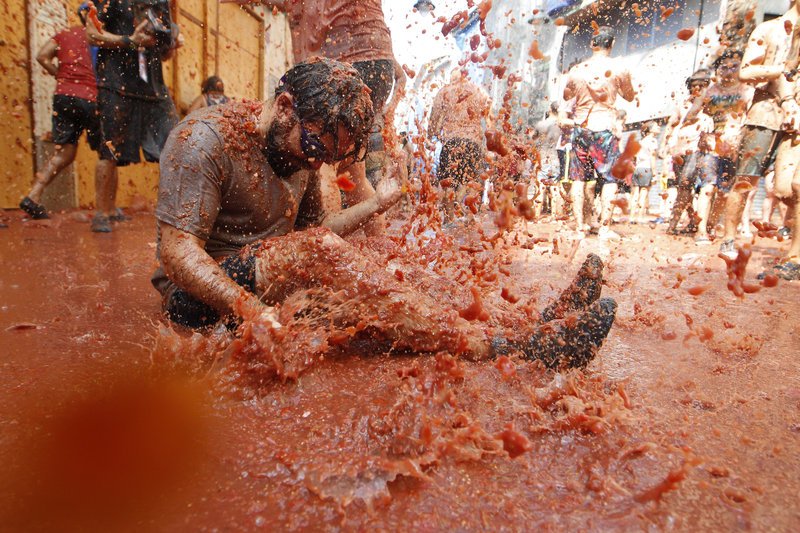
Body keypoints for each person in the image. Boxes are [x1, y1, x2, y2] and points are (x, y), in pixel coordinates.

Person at [152, 58, 618, 370]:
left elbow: (313, 232)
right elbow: (176, 252)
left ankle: (533, 322)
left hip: (270, 271)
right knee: (325, 254)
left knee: (385, 262)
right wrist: (247, 308)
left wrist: (377, 202)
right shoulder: (204, 140)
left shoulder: (304, 149)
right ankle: (505, 348)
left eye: (326, 159)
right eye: (313, 147)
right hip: (204, 296)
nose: (315, 164)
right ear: (286, 107)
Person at [262, 0, 406, 237]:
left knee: (324, 163)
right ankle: (379, 249)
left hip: (343, 60)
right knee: (352, 171)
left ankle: (328, 251)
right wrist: (389, 110)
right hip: (380, 63)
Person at [85, 0, 180, 232]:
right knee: (109, 150)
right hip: (116, 84)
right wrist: (129, 41)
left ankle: (177, 214)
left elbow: (165, 53)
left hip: (153, 88)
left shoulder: (160, 4)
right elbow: (91, 35)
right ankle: (103, 212)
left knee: (178, 143)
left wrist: (172, 43)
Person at [718, 1, 798, 258]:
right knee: (745, 181)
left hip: (796, 118)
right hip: (765, 114)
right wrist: (780, 71)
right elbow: (746, 71)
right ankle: (728, 238)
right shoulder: (769, 29)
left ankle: (792, 252)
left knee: (790, 188)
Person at [19, 3, 100, 220]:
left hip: (64, 97)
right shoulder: (102, 38)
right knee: (107, 153)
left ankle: (33, 195)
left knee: (65, 152)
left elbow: (42, 56)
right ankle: (106, 210)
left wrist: (61, 76)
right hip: (92, 98)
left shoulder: (65, 34)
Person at [562, 26, 636, 240]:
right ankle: (604, 227)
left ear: (591, 44)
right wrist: (616, 89)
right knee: (610, 179)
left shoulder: (577, 70)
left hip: (581, 128)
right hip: (605, 127)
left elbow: (568, 96)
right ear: (611, 44)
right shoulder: (619, 68)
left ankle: (579, 228)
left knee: (578, 179)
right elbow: (630, 96)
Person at [692, 49, 752, 245]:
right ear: (718, 71)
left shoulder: (748, 90)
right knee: (707, 188)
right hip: (711, 147)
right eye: (724, 67)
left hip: (735, 148)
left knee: (725, 193)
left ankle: (710, 226)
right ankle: (701, 231)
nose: (728, 71)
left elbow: (752, 118)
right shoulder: (710, 91)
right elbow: (692, 114)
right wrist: (701, 121)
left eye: (734, 67)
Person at [428, 69, 492, 218]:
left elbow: (434, 117)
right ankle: (469, 217)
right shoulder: (478, 91)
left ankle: (449, 219)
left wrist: (429, 136)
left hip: (452, 141)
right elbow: (489, 116)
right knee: (471, 181)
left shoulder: (445, 91)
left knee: (448, 183)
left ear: (451, 79)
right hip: (473, 142)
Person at [663, 69, 714, 236]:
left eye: (701, 85)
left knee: (687, 185)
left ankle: (673, 224)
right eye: (694, 86)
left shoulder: (711, 104)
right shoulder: (682, 104)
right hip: (679, 151)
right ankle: (691, 220)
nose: (697, 89)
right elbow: (671, 124)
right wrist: (667, 147)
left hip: (698, 150)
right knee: (683, 188)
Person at [630, 122, 659, 225]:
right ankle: (640, 217)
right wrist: (655, 172)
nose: (658, 127)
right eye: (656, 126)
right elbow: (652, 156)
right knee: (643, 193)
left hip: (638, 168)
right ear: (650, 129)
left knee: (635, 193)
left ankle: (632, 217)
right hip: (647, 168)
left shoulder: (641, 141)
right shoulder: (653, 141)